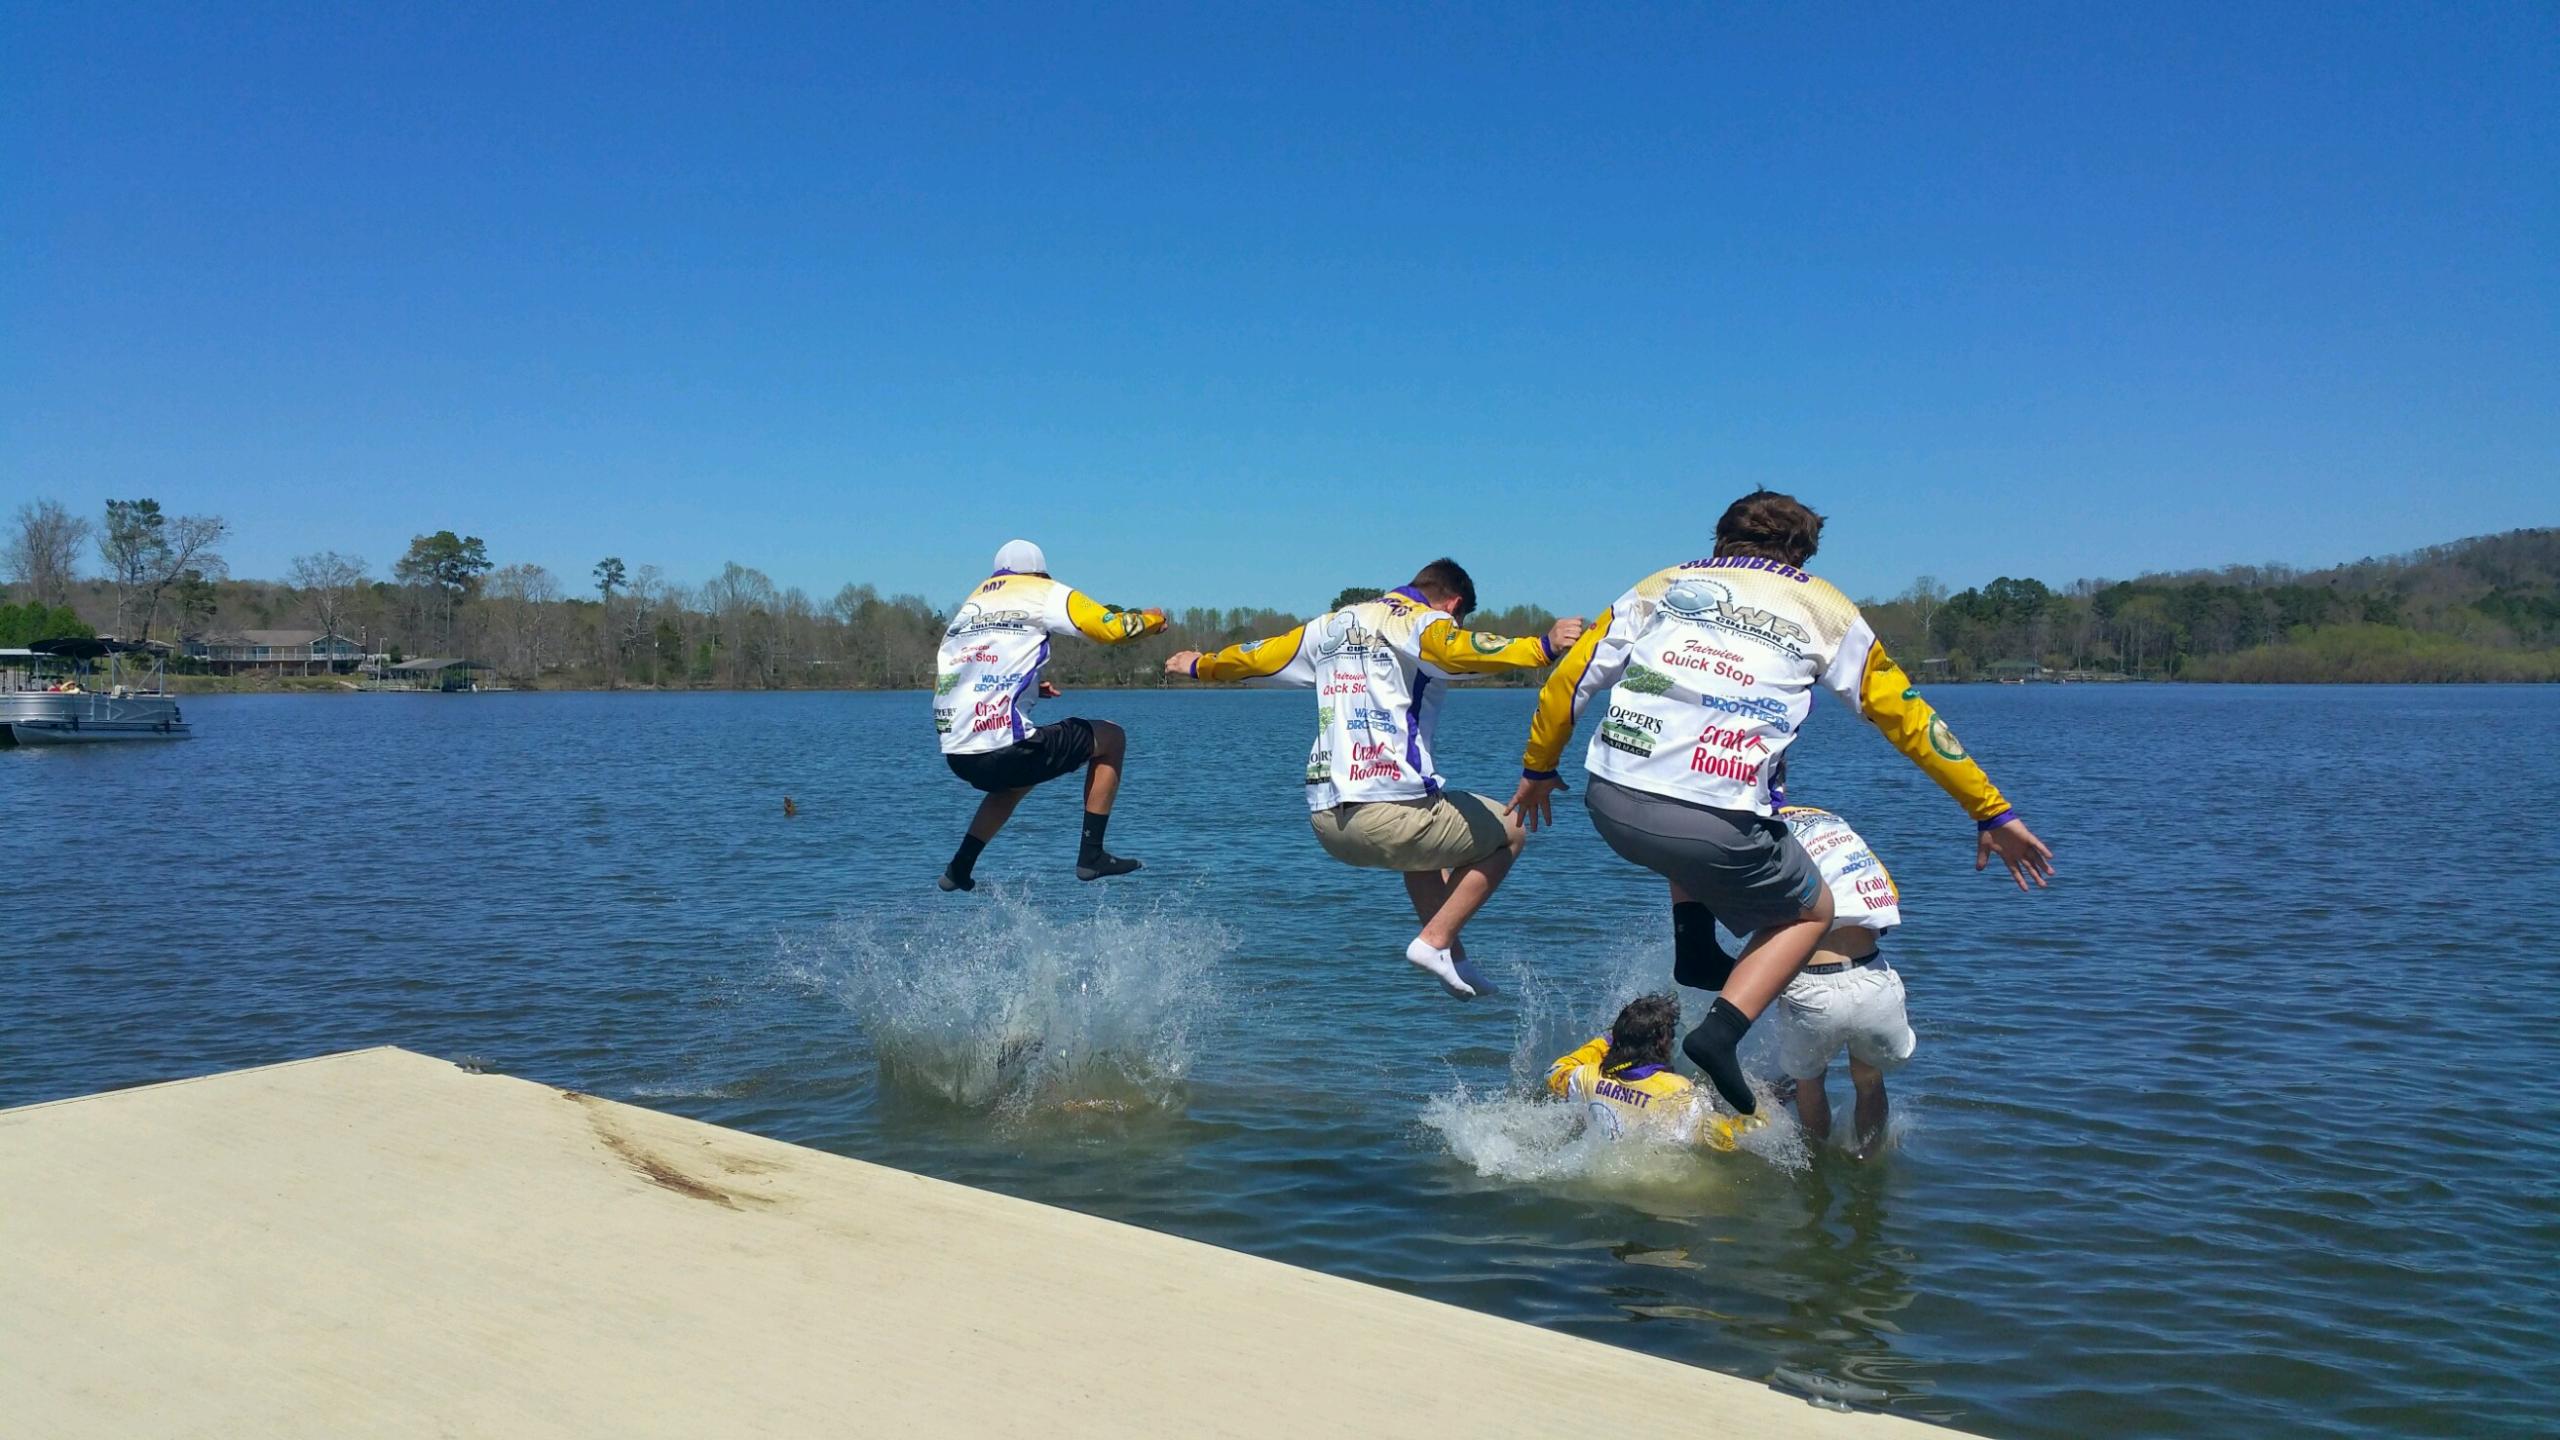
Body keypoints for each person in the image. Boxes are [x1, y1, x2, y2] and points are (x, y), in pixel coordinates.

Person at [1506, 489, 2052, 1116]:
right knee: (1811, 907)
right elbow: (1912, 722)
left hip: (1610, 804)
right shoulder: (1824, 607)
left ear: (1721, 541)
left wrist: (1538, 769)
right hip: (1707, 822)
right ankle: (1719, 1034)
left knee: (1691, 819)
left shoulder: (1663, 582)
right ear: (1802, 555)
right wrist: (1992, 811)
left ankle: (1695, 945)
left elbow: (1567, 681)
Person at [1164, 560, 1582, 998]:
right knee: (1511, 831)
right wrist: (1543, 647)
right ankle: (1434, 942)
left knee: (1426, 836)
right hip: (1388, 815)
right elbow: (1463, 650)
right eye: (1458, 618)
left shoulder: (1327, 626)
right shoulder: (1423, 622)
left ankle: (1452, 957)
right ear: (1454, 604)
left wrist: (1200, 665)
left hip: (1328, 823)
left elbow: (1256, 656)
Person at [933, 540, 1167, 891]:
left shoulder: (972, 607)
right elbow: (1112, 629)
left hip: (958, 754)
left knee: (1015, 783)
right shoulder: (1042, 591)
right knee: (1111, 738)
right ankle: (1092, 855)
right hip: (1003, 748)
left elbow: (970, 669)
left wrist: (1029, 687)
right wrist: (1151, 620)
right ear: (1040, 571)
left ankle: (959, 868)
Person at [1545, 994, 1761, 1153]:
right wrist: (1760, 1113)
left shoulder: (1588, 1077)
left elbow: (1555, 1073)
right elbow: (1724, 1140)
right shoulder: (1680, 1091)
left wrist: (1609, 1042)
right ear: (1662, 1041)